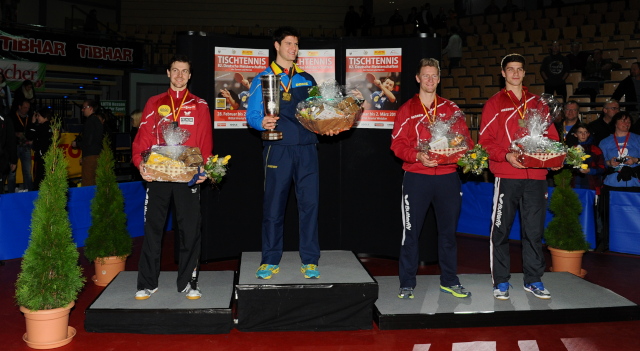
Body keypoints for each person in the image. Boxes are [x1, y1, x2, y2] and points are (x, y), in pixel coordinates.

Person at [246, 27, 340, 280]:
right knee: (273, 207)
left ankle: (310, 259)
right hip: (278, 150)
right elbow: (251, 114)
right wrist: (260, 123)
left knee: (310, 206)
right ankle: (269, 259)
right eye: (288, 44)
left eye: (296, 44)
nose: (293, 49)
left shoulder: (306, 78)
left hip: (308, 149)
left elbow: (316, 113)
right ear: (276, 46)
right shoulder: (263, 78)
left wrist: (328, 126)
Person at [479, 53, 561, 300]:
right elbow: (485, 141)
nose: (515, 73)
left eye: (520, 69)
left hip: (536, 176)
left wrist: (553, 158)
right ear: (503, 73)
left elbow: (553, 138)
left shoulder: (538, 103)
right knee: (501, 230)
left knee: (534, 231)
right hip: (507, 174)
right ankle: (501, 281)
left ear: (524, 73)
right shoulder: (494, 104)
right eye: (510, 69)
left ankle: (533, 279)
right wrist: (506, 156)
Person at [391, 58, 473, 300]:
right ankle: (407, 283)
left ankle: (450, 280)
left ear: (439, 79)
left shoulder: (451, 109)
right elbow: (397, 145)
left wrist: (457, 155)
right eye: (425, 75)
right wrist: (417, 156)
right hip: (417, 177)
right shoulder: (406, 109)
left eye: (434, 76)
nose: (429, 80)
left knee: (448, 234)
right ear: (417, 78)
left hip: (448, 178)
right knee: (411, 233)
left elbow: (466, 142)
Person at [132, 54, 213, 300]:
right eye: (175, 70)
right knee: (153, 228)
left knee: (190, 229)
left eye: (184, 71)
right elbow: (143, 138)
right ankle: (147, 282)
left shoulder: (200, 105)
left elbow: (205, 142)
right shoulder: (154, 103)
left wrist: (204, 170)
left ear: (190, 75)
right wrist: (140, 164)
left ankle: (188, 282)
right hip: (158, 176)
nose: (179, 75)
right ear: (168, 73)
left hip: (187, 176)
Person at [597, 111, 640, 252]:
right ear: (615, 123)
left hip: (633, 183)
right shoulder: (605, 142)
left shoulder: (638, 139)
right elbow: (600, 164)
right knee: (609, 216)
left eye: (628, 122)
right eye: (623, 121)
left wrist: (636, 160)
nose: (626, 124)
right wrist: (609, 162)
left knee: (634, 215)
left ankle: (634, 243)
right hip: (612, 184)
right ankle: (607, 242)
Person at [72, 100, 103, 187]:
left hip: (90, 156)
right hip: (97, 154)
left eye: (84, 107)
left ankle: (88, 200)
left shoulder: (90, 121)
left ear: (91, 109)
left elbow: (88, 141)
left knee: (88, 182)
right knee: (96, 181)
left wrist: (77, 144)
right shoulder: (97, 121)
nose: (82, 110)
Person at [566, 123, 605, 192]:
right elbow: (568, 167)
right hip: (575, 184)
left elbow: (602, 168)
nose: (583, 135)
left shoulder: (595, 149)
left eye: (585, 132)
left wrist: (590, 170)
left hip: (592, 185)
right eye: (580, 132)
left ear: (588, 134)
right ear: (575, 135)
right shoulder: (572, 150)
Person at [7, 99, 33, 192]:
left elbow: (32, 131)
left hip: (25, 146)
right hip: (14, 147)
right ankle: (10, 193)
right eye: (25, 107)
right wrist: (16, 134)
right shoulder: (11, 117)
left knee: (27, 172)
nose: (26, 110)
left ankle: (29, 192)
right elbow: (6, 132)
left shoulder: (29, 118)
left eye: (28, 108)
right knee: (12, 172)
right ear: (19, 107)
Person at [25, 107, 52, 190]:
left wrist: (32, 123)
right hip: (48, 156)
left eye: (38, 116)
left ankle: (37, 196)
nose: (37, 118)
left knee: (39, 178)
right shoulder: (51, 127)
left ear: (45, 116)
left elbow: (29, 135)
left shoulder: (42, 127)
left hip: (41, 157)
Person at [0, 110, 16, 194]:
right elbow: (11, 140)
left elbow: (11, 140)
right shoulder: (6, 119)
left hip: (2, 159)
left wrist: (13, 160)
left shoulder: (5, 119)